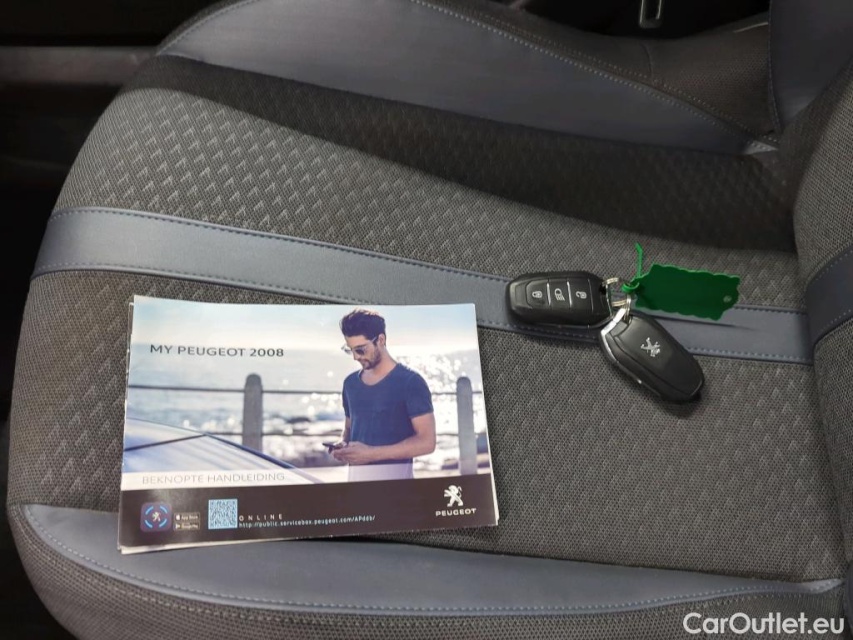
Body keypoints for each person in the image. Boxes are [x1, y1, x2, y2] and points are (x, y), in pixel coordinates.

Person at [331, 309, 436, 481]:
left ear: (380, 340)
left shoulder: (411, 382)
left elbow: (427, 442)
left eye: (361, 350)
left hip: (396, 491)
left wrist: (371, 454)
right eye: (350, 350)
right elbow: (350, 429)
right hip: (356, 488)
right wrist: (343, 444)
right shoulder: (350, 384)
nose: (355, 357)